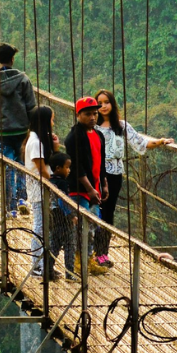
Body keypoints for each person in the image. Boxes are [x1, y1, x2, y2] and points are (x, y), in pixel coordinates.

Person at [92, 88, 173, 267]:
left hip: (114, 175)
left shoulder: (121, 126)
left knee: (108, 213)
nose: (103, 106)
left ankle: (101, 253)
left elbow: (140, 142)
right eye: (100, 103)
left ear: (112, 104)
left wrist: (160, 141)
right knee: (93, 211)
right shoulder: (92, 126)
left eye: (107, 102)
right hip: (95, 174)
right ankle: (89, 252)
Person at [0, 43, 37, 218]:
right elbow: (31, 106)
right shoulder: (23, 79)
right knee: (21, 165)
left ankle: (10, 207)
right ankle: (22, 199)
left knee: (7, 167)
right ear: (12, 59)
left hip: (2, 132)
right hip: (22, 130)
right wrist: (34, 130)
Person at [63, 97, 109, 276]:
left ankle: (88, 260)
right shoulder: (74, 137)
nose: (92, 117)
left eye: (95, 113)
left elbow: (101, 162)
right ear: (78, 115)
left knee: (91, 227)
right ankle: (77, 263)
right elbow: (76, 166)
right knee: (81, 228)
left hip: (94, 188)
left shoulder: (98, 135)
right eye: (88, 114)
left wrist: (104, 184)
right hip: (79, 189)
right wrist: (90, 189)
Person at [24, 105, 61, 277]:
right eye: (52, 119)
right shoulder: (35, 143)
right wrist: (55, 184)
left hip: (42, 189)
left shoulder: (37, 140)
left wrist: (55, 147)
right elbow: (42, 170)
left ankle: (44, 265)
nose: (53, 123)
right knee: (39, 226)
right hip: (40, 190)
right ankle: (37, 266)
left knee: (45, 227)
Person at [47, 151, 78, 281]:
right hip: (64, 219)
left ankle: (48, 271)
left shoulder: (50, 181)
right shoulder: (63, 183)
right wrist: (72, 216)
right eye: (67, 167)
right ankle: (69, 273)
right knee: (70, 246)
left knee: (54, 246)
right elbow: (62, 201)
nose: (69, 170)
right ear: (58, 168)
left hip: (53, 218)